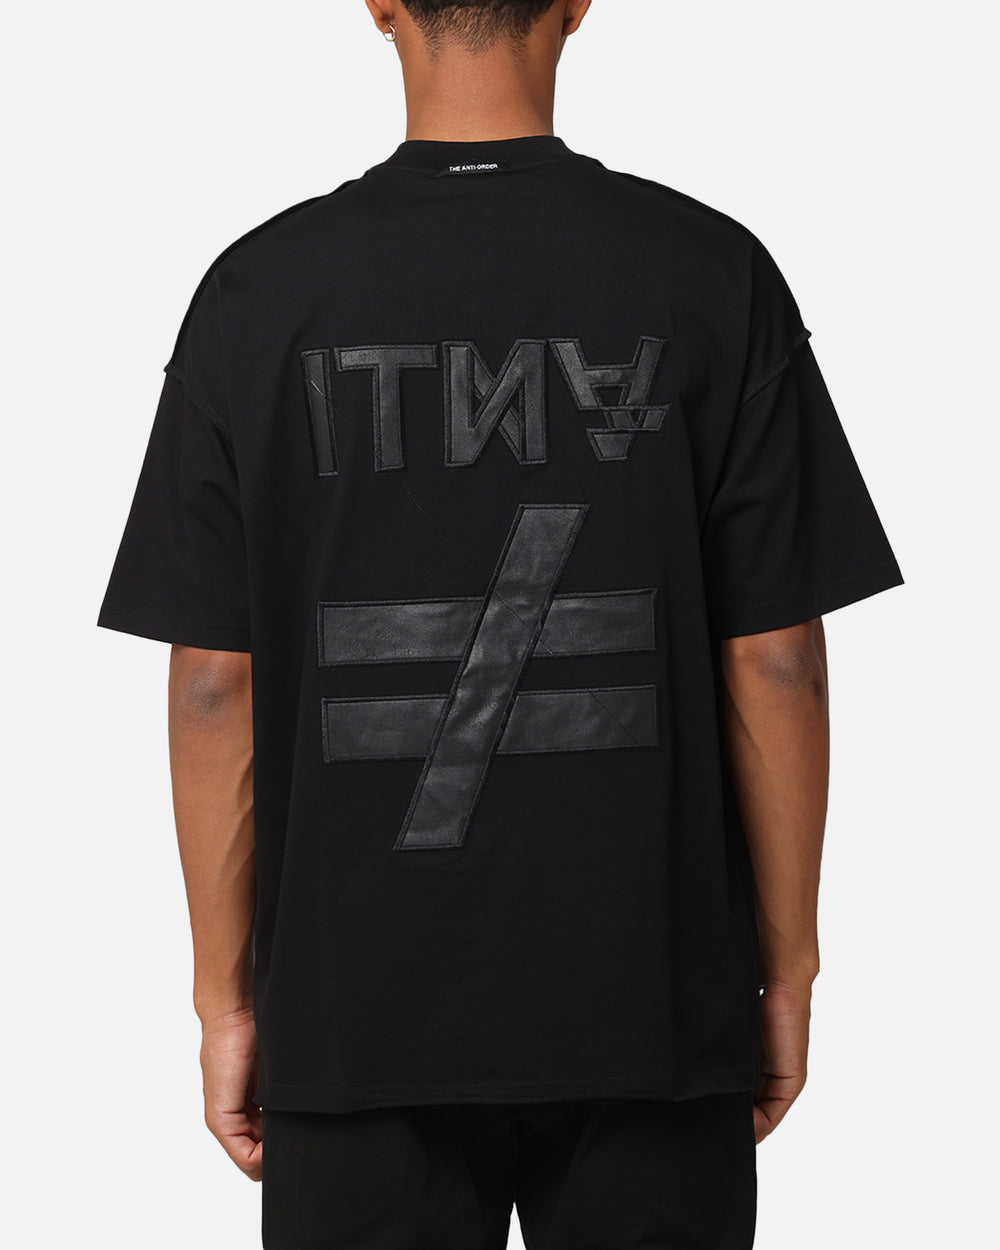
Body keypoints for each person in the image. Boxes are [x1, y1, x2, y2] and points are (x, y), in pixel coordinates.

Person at [96, 1, 904, 1246]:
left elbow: (213, 680)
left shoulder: (259, 291)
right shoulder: (708, 271)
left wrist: (225, 998)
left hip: (357, 1015)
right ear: (576, 3)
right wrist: (786, 965)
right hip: (649, 1002)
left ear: (379, 5)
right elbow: (778, 658)